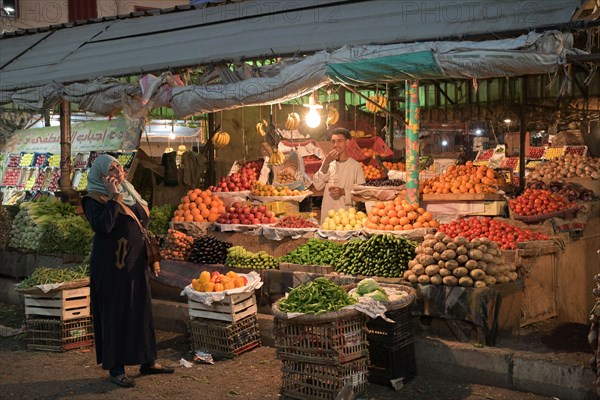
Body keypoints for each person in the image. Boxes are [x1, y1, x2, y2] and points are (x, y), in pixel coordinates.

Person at [82, 154, 173, 388]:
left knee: (141, 310)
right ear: (100, 175)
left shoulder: (129, 191)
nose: (116, 174)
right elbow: (104, 226)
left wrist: (124, 190)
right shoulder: (93, 198)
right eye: (111, 171)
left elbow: (143, 217)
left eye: (119, 169)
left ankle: (147, 360)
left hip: (135, 263)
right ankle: (116, 368)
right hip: (111, 267)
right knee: (115, 314)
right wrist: (113, 197)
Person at [313, 128, 366, 223]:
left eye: (340, 141)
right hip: (327, 218)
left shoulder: (356, 166)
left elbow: (362, 196)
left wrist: (344, 191)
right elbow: (317, 185)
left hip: (347, 220)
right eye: (333, 142)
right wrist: (325, 164)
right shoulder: (328, 164)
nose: (336, 145)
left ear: (347, 142)